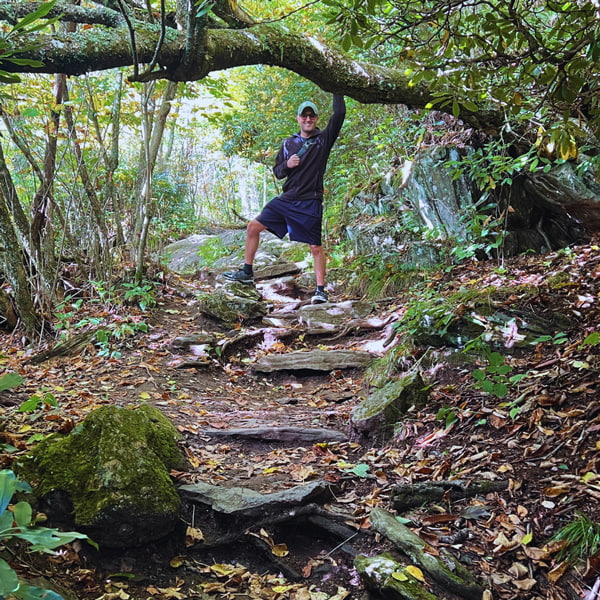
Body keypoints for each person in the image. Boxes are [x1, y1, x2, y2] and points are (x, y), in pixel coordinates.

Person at [223, 94, 346, 304]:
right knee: (253, 227)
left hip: (310, 200)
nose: (308, 119)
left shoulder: (323, 141)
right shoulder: (288, 143)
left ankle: (320, 290)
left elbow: (340, 113)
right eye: (304, 116)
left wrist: (337, 90)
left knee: (315, 247)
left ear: (316, 119)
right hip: (287, 199)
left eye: (312, 116)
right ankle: (246, 272)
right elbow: (278, 172)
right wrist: (287, 165)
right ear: (298, 118)